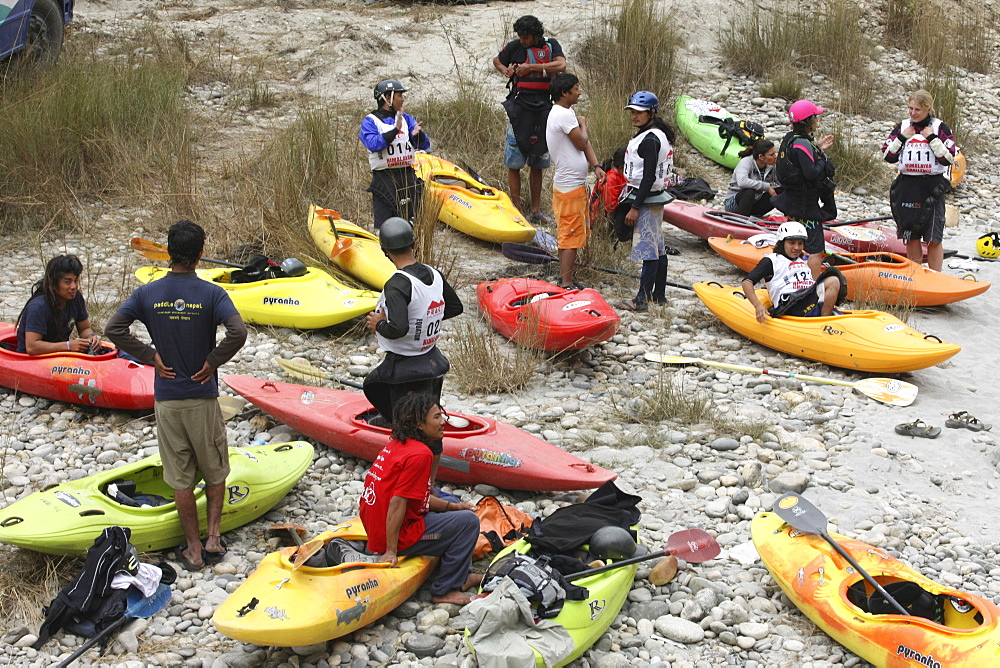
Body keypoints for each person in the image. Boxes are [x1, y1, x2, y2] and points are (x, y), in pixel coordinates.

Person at [106, 220, 247, 570]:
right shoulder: (212, 294)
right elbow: (238, 332)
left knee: (180, 478)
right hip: (202, 397)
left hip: (168, 399)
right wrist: (213, 362)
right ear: (200, 254)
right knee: (215, 469)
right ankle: (214, 538)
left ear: (169, 253)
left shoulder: (147, 293)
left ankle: (194, 549)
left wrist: (148, 355)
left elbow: (113, 329)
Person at [359, 392, 481, 605]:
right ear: (418, 424)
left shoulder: (398, 445)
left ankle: (463, 574)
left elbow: (420, 497)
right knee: (468, 522)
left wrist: (453, 506)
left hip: (378, 527)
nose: (443, 422)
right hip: (394, 536)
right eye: (436, 418)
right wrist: (390, 550)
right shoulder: (420, 454)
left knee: (447, 499)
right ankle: (445, 589)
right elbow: (398, 502)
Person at [364, 217, 463, 428]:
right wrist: (425, 318)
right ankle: (426, 424)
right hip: (432, 356)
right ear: (414, 244)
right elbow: (455, 307)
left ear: (384, 251)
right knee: (425, 403)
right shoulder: (434, 274)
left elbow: (398, 329)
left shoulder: (396, 284)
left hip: (404, 360)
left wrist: (378, 323)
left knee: (371, 386)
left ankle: (395, 425)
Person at [493, 15, 566, 225]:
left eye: (526, 37)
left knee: (538, 160)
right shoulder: (515, 47)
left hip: (543, 108)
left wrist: (531, 68)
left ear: (536, 35)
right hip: (519, 107)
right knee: (514, 160)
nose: (522, 41)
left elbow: (561, 65)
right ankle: (516, 210)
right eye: (520, 37)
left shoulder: (551, 46)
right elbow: (497, 60)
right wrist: (504, 69)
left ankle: (536, 211)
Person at [881, 90, 956, 272]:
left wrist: (931, 138)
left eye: (918, 110)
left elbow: (948, 159)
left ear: (928, 109)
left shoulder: (940, 128)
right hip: (908, 185)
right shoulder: (903, 126)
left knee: (933, 238)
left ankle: (935, 276)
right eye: (911, 108)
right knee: (911, 235)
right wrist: (902, 137)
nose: (913, 113)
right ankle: (914, 276)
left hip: (932, 185)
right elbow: (888, 156)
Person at [615, 91, 675, 313]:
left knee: (649, 250)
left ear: (651, 113)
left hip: (647, 198)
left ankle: (641, 300)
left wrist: (635, 207)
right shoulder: (656, 134)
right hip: (654, 197)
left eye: (639, 112)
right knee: (658, 248)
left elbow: (648, 177)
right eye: (632, 112)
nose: (634, 116)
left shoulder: (650, 139)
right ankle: (658, 295)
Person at [544, 72, 605, 289]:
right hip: (569, 187)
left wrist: (596, 165)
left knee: (570, 233)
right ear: (564, 92)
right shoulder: (563, 115)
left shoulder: (566, 112)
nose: (579, 92)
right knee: (570, 235)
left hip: (572, 185)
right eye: (576, 88)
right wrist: (584, 126)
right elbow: (581, 142)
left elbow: (583, 145)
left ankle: (565, 277)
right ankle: (566, 282)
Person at [771, 99, 837, 278]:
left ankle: (788, 278)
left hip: (792, 203)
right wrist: (823, 159)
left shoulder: (790, 139)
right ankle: (811, 289)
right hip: (806, 207)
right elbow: (811, 173)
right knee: (815, 251)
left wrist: (818, 148)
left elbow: (801, 161)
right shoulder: (803, 144)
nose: (817, 120)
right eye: (815, 117)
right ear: (808, 122)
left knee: (791, 244)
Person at [359, 79, 431, 230]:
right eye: (399, 95)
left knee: (413, 223)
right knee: (387, 226)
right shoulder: (370, 121)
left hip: (407, 176)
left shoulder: (406, 118)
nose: (403, 99)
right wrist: (394, 130)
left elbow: (424, 145)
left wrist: (418, 136)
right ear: (388, 97)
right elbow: (373, 144)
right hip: (385, 180)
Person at [741, 221, 847, 322]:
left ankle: (825, 316)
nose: (796, 247)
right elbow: (747, 282)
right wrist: (758, 305)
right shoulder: (772, 260)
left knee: (832, 275)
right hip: (789, 304)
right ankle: (825, 323)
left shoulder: (801, 261)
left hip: (806, 300)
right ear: (782, 243)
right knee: (833, 280)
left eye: (800, 244)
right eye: (792, 243)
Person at [16, 255, 102, 355]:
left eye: (76, 280)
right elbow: (32, 347)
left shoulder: (76, 298)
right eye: (67, 282)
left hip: (59, 356)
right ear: (53, 284)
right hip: (32, 359)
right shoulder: (38, 307)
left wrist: (91, 337)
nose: (74, 286)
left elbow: (84, 329)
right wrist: (68, 346)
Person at [725, 139, 779, 218]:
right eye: (772, 155)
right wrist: (766, 187)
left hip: (754, 203)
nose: (775, 157)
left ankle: (790, 219)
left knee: (781, 191)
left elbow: (781, 182)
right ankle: (741, 222)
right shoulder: (746, 162)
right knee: (749, 192)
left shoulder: (772, 165)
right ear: (761, 156)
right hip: (735, 204)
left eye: (775, 153)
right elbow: (742, 182)